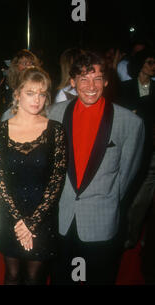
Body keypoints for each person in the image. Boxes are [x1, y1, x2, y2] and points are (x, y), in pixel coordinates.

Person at [49, 51, 145, 285]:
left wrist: (106, 200)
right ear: (72, 82)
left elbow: (128, 175)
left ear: (106, 81)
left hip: (101, 221)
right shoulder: (55, 114)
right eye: (83, 79)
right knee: (63, 279)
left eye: (97, 79)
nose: (91, 86)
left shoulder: (130, 123)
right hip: (63, 218)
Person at [0, 67, 67, 285]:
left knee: (35, 278)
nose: (37, 99)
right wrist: (18, 221)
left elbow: (56, 181)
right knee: (12, 275)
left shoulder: (56, 130)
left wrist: (32, 222)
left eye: (42, 94)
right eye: (31, 93)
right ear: (17, 94)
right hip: (10, 215)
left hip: (43, 217)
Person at [119, 48, 155, 249]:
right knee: (126, 193)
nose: (153, 66)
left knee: (142, 199)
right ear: (140, 64)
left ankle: (132, 236)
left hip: (150, 150)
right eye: (150, 62)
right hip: (128, 150)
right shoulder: (125, 88)